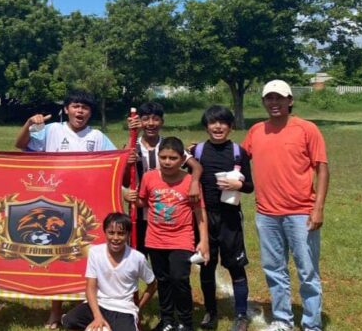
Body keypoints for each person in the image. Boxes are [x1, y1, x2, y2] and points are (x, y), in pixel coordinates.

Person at [14, 89, 117, 328]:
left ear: (90, 112)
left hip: (88, 205)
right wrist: (29, 123)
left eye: (85, 107)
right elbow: (20, 145)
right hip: (57, 206)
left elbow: (117, 159)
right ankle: (55, 310)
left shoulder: (98, 137)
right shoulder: (52, 131)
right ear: (67, 109)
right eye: (75, 106)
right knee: (57, 257)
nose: (80, 111)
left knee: (86, 256)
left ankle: (87, 307)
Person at [242, 80, 329, 331]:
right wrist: (198, 151)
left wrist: (318, 207)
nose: (274, 103)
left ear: (290, 100)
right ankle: (282, 319)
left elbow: (322, 168)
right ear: (263, 102)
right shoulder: (257, 131)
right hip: (266, 213)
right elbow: (236, 156)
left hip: (301, 212)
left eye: (279, 98)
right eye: (269, 98)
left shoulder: (307, 129)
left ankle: (312, 323)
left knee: (307, 271)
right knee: (273, 268)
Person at [126, 137, 209, 331]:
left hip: (181, 239)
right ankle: (167, 320)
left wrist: (203, 241)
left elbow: (199, 212)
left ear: (182, 159)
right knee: (162, 281)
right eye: (163, 157)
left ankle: (185, 322)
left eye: (173, 158)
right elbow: (142, 202)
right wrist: (128, 195)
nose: (167, 162)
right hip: (155, 239)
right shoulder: (149, 177)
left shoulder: (190, 181)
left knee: (179, 279)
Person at [192, 105, 254, 330]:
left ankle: (241, 315)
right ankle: (210, 311)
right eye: (213, 122)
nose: (218, 127)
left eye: (223, 123)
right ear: (206, 126)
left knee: (236, 267)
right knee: (206, 266)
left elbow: (249, 187)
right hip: (203, 218)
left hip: (230, 218)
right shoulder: (197, 152)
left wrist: (239, 184)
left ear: (231, 126)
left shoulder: (239, 152)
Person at [126, 102, 203, 255]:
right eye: (146, 119)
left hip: (168, 210)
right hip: (140, 209)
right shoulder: (132, 146)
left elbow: (196, 166)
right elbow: (122, 178)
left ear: (162, 121)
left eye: (155, 119)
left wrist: (194, 183)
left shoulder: (169, 145)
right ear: (139, 121)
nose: (150, 123)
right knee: (138, 258)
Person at [62, 213, 157, 331]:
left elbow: (152, 284)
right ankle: (99, 324)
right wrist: (97, 317)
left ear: (128, 234)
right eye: (111, 233)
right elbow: (90, 288)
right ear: (105, 232)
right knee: (69, 321)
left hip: (123, 308)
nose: (116, 238)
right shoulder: (95, 253)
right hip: (99, 304)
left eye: (121, 233)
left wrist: (138, 307)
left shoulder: (137, 258)